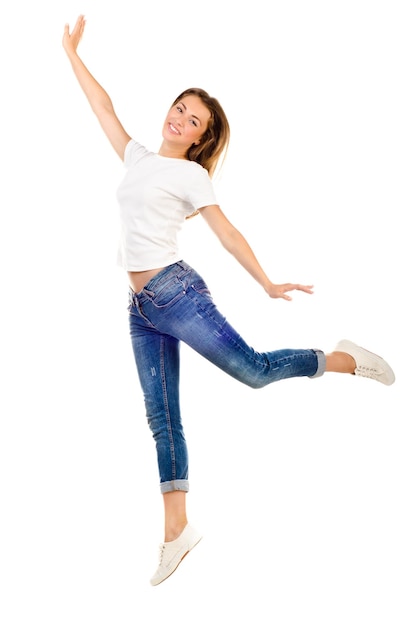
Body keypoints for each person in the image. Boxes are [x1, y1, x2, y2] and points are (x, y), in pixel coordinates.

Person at [62, 15, 395, 586]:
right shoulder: (140, 156)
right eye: (180, 107)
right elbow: (103, 108)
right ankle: (176, 532)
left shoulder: (191, 176)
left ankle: (339, 359)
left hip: (177, 293)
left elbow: (228, 233)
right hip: (140, 308)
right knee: (162, 417)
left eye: (194, 119)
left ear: (199, 138)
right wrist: (70, 52)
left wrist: (266, 282)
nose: (181, 118)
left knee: (256, 372)